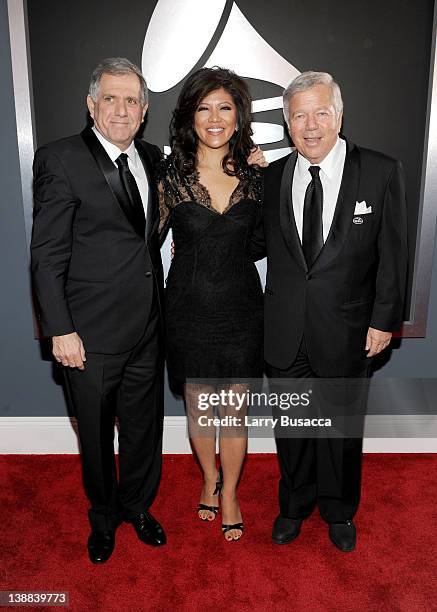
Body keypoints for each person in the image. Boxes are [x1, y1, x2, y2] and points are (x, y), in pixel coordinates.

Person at [253, 71, 407, 551]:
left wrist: (385, 319)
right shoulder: (273, 176)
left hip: (348, 329)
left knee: (341, 431)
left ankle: (339, 511)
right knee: (293, 430)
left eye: (321, 112)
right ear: (286, 122)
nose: (311, 125)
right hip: (285, 331)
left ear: (340, 115)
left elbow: (394, 253)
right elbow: (258, 245)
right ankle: (294, 505)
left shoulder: (380, 171)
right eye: (299, 115)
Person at [31, 58, 166, 564]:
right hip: (86, 334)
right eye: (110, 98)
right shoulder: (60, 159)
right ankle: (104, 517)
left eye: (131, 100)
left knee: (143, 428)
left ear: (145, 110)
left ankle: (138, 507)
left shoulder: (153, 157)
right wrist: (60, 329)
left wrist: (252, 162)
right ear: (91, 105)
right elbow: (46, 257)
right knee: (94, 433)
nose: (121, 109)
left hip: (148, 326)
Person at [158, 67, 264, 541]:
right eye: (204, 107)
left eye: (224, 107)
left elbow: (267, 243)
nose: (215, 117)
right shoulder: (169, 178)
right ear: (190, 117)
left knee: (235, 411)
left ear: (239, 116)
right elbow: (135, 242)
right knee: (200, 409)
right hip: (187, 311)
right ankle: (207, 478)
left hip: (241, 312)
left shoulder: (259, 177)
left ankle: (231, 493)